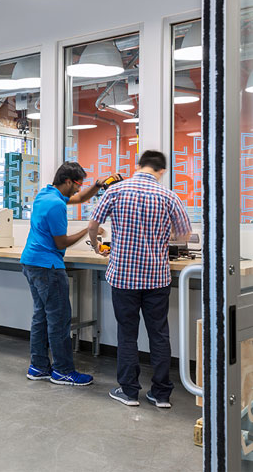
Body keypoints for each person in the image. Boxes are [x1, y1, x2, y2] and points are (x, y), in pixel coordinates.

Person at [89, 150, 191, 408]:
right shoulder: (169, 196)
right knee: (159, 334)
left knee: (127, 334)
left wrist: (96, 244)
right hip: (157, 277)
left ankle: (129, 391)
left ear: (138, 166)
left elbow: (93, 225)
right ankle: (161, 394)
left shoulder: (116, 191)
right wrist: (158, 240)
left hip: (123, 276)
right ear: (162, 170)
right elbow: (185, 234)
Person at [20, 162, 118, 386]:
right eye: (77, 184)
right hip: (48, 267)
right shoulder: (56, 205)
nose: (77, 189)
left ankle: (38, 367)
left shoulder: (45, 194)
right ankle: (63, 371)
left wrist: (96, 186)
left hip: (31, 262)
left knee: (41, 316)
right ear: (67, 181)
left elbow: (80, 198)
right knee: (59, 319)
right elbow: (61, 242)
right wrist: (90, 228)